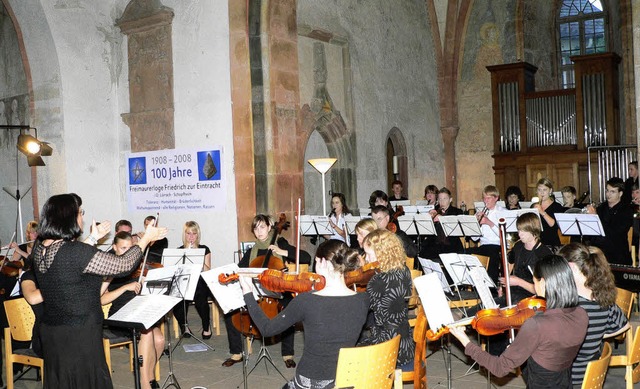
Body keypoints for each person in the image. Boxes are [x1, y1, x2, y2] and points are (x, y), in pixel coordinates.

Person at [32, 193, 167, 389]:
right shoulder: (74, 251)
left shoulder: (40, 249)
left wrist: (93, 237)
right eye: (80, 212)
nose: (82, 217)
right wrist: (146, 238)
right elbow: (123, 264)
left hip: (53, 332)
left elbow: (68, 260)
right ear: (68, 217)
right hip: (80, 332)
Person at [239, 239, 369, 389]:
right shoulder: (363, 300)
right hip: (346, 380)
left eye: (317, 261)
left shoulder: (307, 301)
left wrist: (248, 293)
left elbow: (267, 329)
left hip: (312, 381)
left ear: (324, 263)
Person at [449, 255, 588, 388]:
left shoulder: (537, 325)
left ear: (544, 283)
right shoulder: (582, 315)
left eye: (535, 282)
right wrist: (524, 349)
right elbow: (553, 350)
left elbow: (499, 368)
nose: (534, 287)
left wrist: (465, 341)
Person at [223, 214, 310, 368]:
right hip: (257, 292)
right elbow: (240, 268)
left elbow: (306, 257)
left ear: (270, 227)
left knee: (289, 306)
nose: (259, 231)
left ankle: (287, 353)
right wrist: (230, 274)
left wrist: (281, 252)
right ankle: (236, 353)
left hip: (278, 291)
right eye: (256, 228)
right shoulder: (252, 250)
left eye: (262, 227)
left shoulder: (280, 242)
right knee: (230, 310)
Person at [558, 243, 629, 386]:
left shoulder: (573, 308)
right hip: (588, 376)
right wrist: (597, 333)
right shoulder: (600, 299)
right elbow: (624, 325)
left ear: (571, 268)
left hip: (571, 378)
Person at [101, 232, 165, 389]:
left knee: (160, 340)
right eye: (123, 248)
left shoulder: (136, 264)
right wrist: (125, 287)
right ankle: (144, 382)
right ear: (114, 247)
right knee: (147, 333)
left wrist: (146, 283)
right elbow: (100, 299)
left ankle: (148, 374)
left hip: (139, 311)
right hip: (119, 316)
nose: (127, 252)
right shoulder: (110, 268)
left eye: (130, 249)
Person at [358, 229, 415, 368]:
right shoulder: (405, 270)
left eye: (370, 254)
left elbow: (362, 310)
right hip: (405, 344)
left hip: (386, 347)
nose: (367, 258)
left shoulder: (378, 280)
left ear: (382, 253)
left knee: (346, 354)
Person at [172, 221, 214, 338]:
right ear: (184, 234)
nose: (191, 237)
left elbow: (208, 271)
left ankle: (206, 327)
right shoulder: (179, 250)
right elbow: (177, 272)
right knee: (176, 300)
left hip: (200, 281)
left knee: (200, 298)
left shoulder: (204, 249)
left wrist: (197, 259)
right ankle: (184, 326)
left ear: (198, 235)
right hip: (185, 282)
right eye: (188, 233)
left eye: (194, 233)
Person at [500, 213, 552, 303]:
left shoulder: (543, 254)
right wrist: (503, 286)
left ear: (534, 231)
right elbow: (510, 263)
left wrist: (518, 282)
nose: (520, 234)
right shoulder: (518, 245)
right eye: (519, 230)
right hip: (514, 293)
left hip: (532, 299)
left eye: (524, 231)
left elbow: (542, 291)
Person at [583, 177, 634, 265]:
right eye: (607, 190)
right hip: (598, 253)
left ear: (620, 193)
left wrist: (595, 217)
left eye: (612, 191)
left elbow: (614, 234)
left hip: (617, 254)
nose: (608, 194)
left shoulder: (626, 210)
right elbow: (590, 234)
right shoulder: (601, 208)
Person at [468, 185, 505, 284]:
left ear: (496, 198)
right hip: (483, 246)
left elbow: (504, 236)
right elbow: (474, 239)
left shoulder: (503, 212)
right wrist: (476, 224)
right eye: (484, 198)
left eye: (488, 198)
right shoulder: (480, 213)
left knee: (492, 256)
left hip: (496, 246)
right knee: (464, 253)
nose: (485, 201)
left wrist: (489, 222)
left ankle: (492, 288)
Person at [420, 187, 464, 260]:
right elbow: (427, 230)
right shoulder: (434, 210)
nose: (442, 201)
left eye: (444, 199)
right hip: (435, 244)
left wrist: (442, 219)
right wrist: (429, 218)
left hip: (450, 244)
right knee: (422, 253)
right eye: (440, 199)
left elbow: (456, 230)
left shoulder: (457, 212)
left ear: (450, 200)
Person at [532, 178, 562, 247]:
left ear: (550, 190)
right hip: (536, 243)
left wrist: (542, 212)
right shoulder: (534, 206)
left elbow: (553, 225)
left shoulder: (557, 206)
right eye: (539, 190)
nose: (542, 193)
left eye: (545, 190)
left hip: (551, 243)